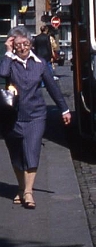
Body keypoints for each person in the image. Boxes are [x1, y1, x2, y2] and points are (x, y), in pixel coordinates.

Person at [1, 26, 72, 210]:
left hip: (36, 115)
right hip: (12, 117)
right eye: (18, 45)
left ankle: (28, 192)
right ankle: (21, 187)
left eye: (26, 43)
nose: (23, 48)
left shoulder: (39, 63)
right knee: (16, 154)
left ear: (31, 44)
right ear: (13, 46)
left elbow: (52, 88)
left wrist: (64, 109)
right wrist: (8, 53)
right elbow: (2, 74)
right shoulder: (10, 63)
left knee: (32, 150)